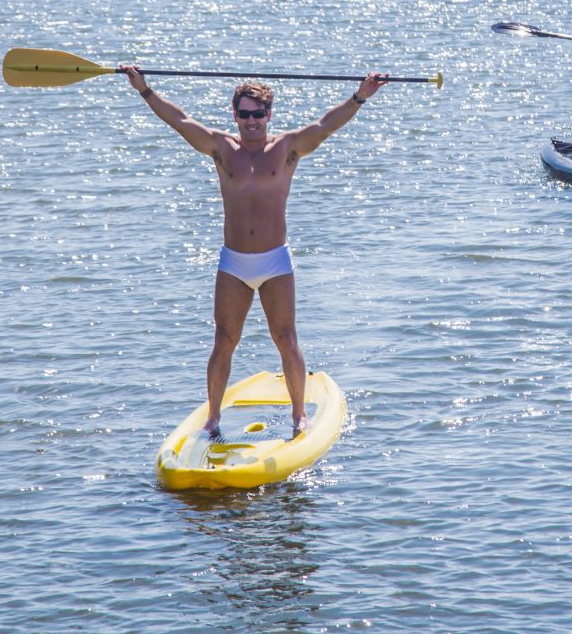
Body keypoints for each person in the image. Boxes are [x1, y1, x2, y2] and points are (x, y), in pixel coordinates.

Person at [120, 64, 389, 440]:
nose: (251, 121)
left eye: (257, 114)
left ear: (268, 115)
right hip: (233, 264)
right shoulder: (220, 147)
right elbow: (180, 121)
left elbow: (326, 125)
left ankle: (299, 417)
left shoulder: (287, 147)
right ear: (235, 115)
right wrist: (144, 90)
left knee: (287, 340)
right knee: (223, 341)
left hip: (275, 261)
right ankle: (213, 418)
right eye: (244, 114)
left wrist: (360, 96)